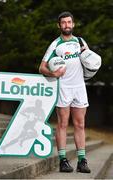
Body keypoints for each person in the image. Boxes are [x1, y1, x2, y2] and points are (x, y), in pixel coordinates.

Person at [39, 11, 91, 173]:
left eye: (69, 22)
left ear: (73, 24)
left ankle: (82, 161)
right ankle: (63, 160)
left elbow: (89, 61)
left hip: (80, 87)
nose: (66, 25)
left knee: (80, 124)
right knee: (62, 124)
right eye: (63, 23)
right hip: (63, 88)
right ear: (59, 25)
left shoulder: (81, 41)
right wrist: (53, 74)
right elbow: (41, 67)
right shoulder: (55, 44)